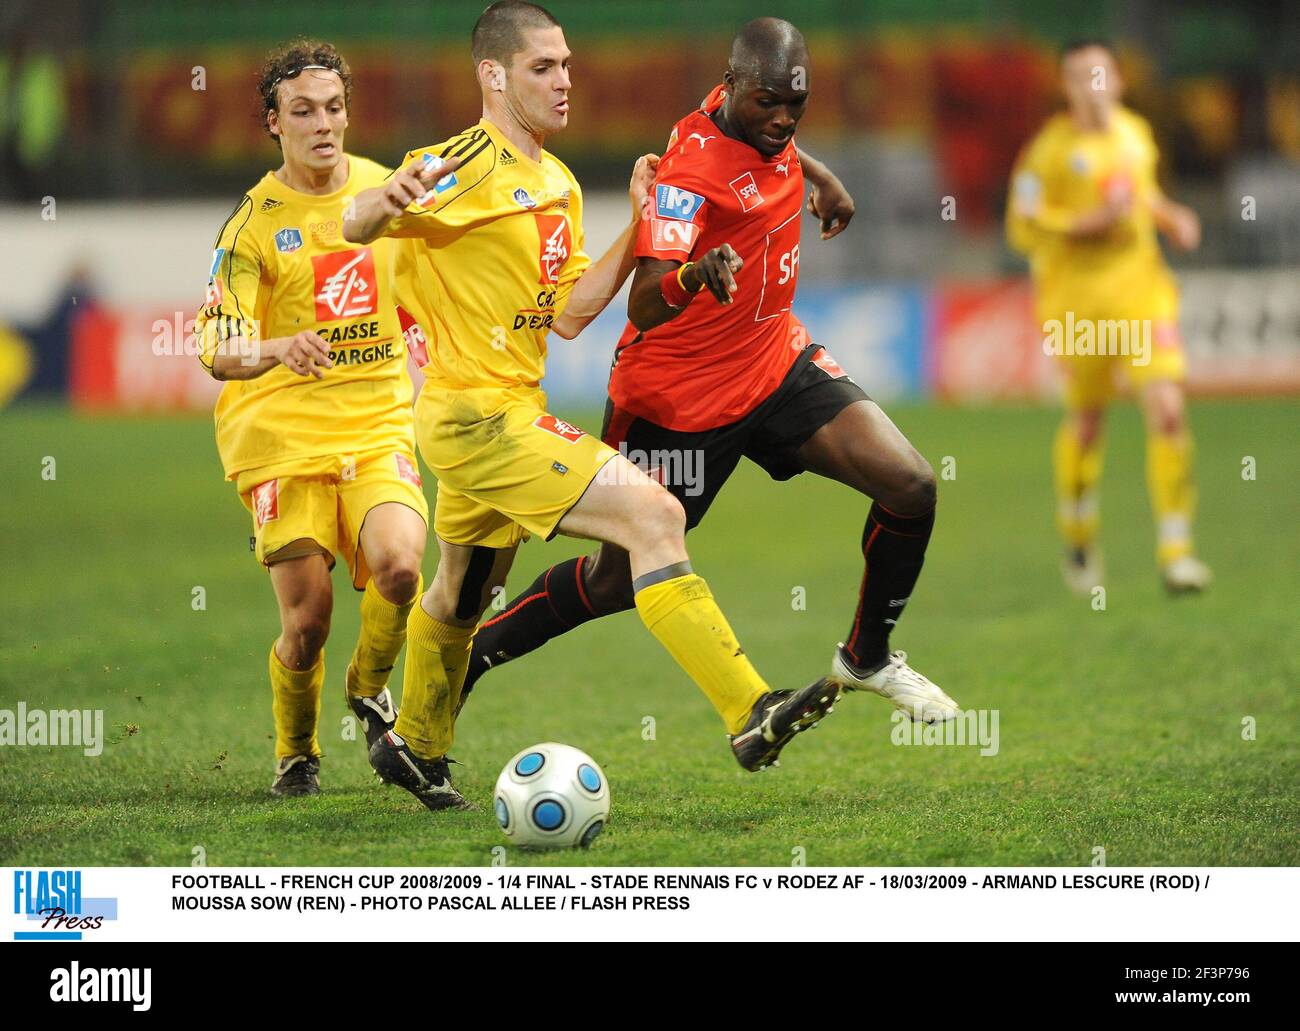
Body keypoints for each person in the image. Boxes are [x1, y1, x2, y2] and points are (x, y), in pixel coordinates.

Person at [343, 1, 840, 811]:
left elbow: (572, 311)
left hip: (505, 404)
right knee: (652, 516)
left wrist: (640, 221)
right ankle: (750, 710)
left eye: (567, 64)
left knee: (464, 592)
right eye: (544, 67)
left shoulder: (556, 181)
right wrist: (381, 199)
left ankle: (418, 748)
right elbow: (356, 222)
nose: (564, 80)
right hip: (475, 416)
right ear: (493, 76)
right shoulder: (457, 163)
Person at [459, 17, 959, 725]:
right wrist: (696, 274)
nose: (783, 119)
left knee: (910, 484)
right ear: (733, 90)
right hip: (677, 401)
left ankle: (868, 655)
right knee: (614, 581)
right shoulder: (688, 179)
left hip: (774, 363)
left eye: (797, 103)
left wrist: (819, 175)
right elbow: (645, 298)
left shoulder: (742, 111)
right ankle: (476, 651)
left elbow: (768, 142)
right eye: (770, 104)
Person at [195, 40, 445, 796]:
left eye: (333, 107)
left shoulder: (383, 191)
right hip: (282, 435)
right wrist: (274, 345)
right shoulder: (252, 225)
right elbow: (215, 341)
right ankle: (296, 754)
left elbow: (432, 284)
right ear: (274, 122)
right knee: (308, 623)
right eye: (302, 111)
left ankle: (368, 685)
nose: (322, 123)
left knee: (403, 565)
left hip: (375, 424)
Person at [1008, 39, 1211, 594]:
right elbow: (1023, 225)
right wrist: (1084, 223)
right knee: (1088, 422)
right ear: (1065, 87)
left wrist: (1171, 217)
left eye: (1100, 76)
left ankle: (1176, 550)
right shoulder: (1046, 152)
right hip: (1078, 306)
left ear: (1118, 82)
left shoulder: (1136, 134)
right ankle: (1076, 530)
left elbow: (1142, 197)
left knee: (1168, 409)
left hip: (1142, 294)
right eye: (1079, 78)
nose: (1092, 88)